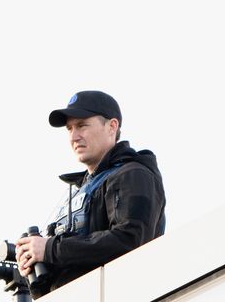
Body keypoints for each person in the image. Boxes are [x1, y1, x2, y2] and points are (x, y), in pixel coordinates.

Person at [14, 90, 166, 298]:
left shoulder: (134, 174)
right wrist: (35, 266)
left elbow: (129, 240)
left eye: (82, 125)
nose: (74, 136)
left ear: (112, 126)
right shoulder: (78, 191)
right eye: (69, 129)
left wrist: (50, 249)